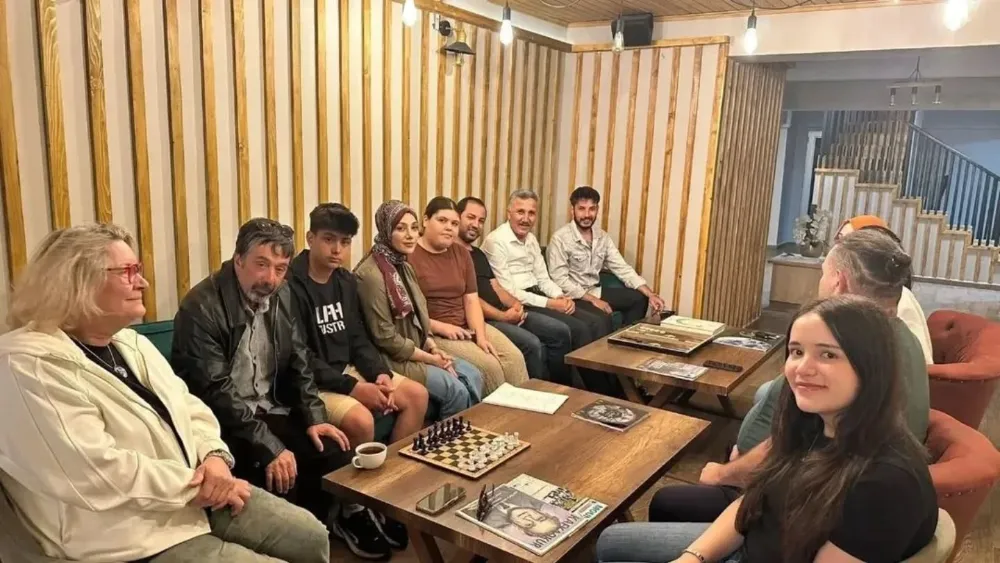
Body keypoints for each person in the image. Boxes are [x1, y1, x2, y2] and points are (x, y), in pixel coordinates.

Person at [0, 223, 328, 563]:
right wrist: (196, 485)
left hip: (195, 494)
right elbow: (95, 470)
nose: (142, 282)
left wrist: (215, 457)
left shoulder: (130, 342)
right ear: (76, 280)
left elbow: (190, 406)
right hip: (126, 534)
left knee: (311, 537)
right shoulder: (27, 364)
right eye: (127, 272)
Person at [596, 295, 938, 563]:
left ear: (871, 367)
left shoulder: (885, 482)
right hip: (754, 546)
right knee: (609, 542)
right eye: (796, 351)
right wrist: (693, 558)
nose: (803, 368)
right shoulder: (813, 423)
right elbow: (753, 504)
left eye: (828, 355)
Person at [648, 228, 931, 526]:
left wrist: (725, 474)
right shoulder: (903, 336)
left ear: (838, 282)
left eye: (823, 274)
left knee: (665, 503)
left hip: (799, 502)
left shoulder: (854, 352)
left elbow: (796, 443)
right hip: (821, 482)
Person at [173, 218, 398, 561]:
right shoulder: (201, 307)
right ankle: (292, 545)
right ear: (238, 259)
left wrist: (315, 417)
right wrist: (270, 447)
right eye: (261, 264)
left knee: (332, 450)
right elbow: (215, 391)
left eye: (280, 268)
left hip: (271, 406)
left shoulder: (282, 293)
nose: (270, 278)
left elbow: (298, 360)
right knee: (278, 470)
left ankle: (325, 530)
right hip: (222, 423)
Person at [288, 203, 429, 450]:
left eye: (345, 242)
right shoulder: (290, 285)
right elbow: (299, 357)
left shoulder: (345, 281)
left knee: (417, 395)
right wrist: (354, 388)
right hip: (312, 383)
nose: (337, 249)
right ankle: (359, 476)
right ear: (310, 238)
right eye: (328, 239)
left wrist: (379, 373)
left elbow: (358, 337)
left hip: (347, 370)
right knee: (361, 421)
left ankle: (394, 469)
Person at [482, 189, 623, 398]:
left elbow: (543, 278)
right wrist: (550, 303)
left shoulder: (530, 239)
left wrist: (559, 296)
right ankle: (572, 392)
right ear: (508, 212)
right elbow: (509, 291)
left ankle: (605, 386)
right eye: (520, 212)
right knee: (573, 329)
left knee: (595, 320)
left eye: (531, 213)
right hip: (517, 302)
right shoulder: (496, 241)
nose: (526, 218)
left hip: (539, 295)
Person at [354, 200, 486, 419]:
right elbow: (386, 339)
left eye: (414, 228)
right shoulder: (371, 275)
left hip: (418, 349)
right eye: (400, 228)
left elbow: (419, 316)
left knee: (473, 374)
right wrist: (430, 359)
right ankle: (446, 439)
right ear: (386, 231)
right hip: (393, 359)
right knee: (456, 390)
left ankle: (466, 432)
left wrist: (433, 348)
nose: (410, 235)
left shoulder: (403, 265)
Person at [409, 196, 530, 394]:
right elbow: (408, 313)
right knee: (490, 367)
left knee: (514, 358)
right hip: (436, 332)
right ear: (425, 220)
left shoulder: (461, 253)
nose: (449, 228)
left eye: (454, 223)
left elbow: (471, 299)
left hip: (468, 325)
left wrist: (480, 336)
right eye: (442, 220)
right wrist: (441, 327)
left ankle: (525, 410)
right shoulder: (410, 255)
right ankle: (495, 414)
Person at [456, 196, 573, 385]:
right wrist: (504, 316)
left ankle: (561, 390)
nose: (476, 224)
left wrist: (516, 306)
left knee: (560, 331)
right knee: (531, 344)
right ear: (458, 217)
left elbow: (497, 287)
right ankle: (536, 394)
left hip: (505, 310)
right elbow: (470, 299)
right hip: (489, 318)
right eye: (470, 217)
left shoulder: (477, 254)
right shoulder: (455, 254)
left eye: (481, 220)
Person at [547, 186, 666, 328]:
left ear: (597, 210)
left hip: (595, 291)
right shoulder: (560, 239)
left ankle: (625, 338)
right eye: (581, 209)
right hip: (573, 296)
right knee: (602, 318)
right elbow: (560, 280)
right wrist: (592, 300)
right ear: (572, 210)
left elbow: (622, 268)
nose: (587, 214)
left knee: (639, 298)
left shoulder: (602, 237)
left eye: (592, 209)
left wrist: (651, 294)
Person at [834, 214, 933, 364]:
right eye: (839, 239)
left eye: (847, 240)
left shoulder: (902, 298)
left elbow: (921, 363)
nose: (837, 247)